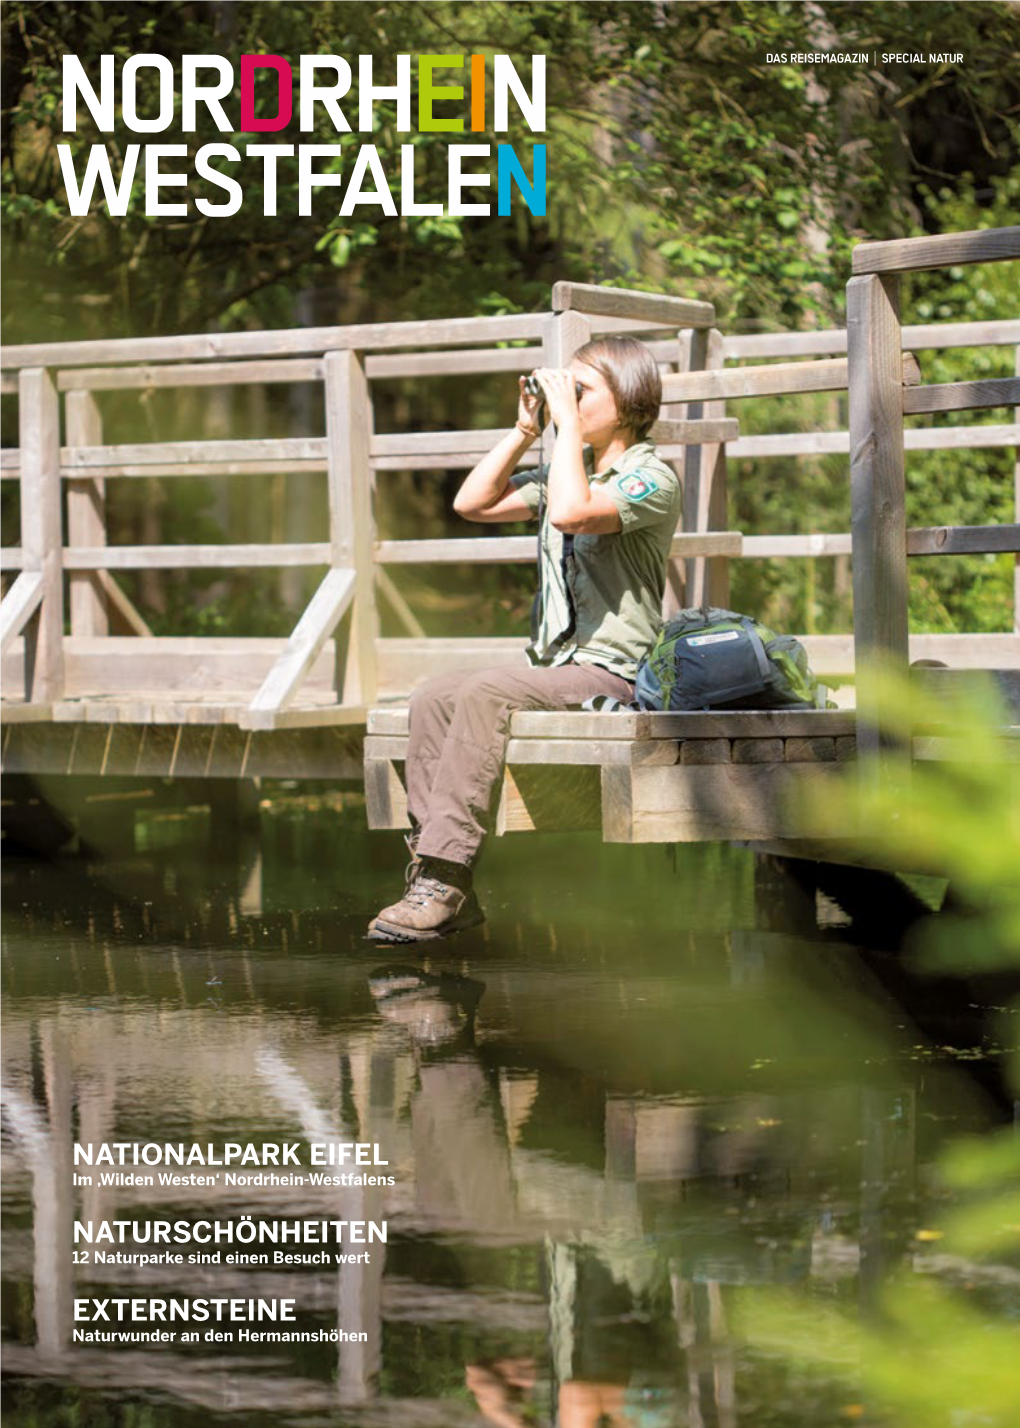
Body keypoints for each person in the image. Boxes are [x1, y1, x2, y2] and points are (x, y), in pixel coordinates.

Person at [368, 336, 681, 942]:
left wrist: (563, 431)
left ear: (629, 400)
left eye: (583, 390)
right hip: (560, 664)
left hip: (614, 669)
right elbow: (471, 503)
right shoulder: (568, 469)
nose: (570, 399)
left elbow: (571, 513)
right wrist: (524, 429)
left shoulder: (651, 477)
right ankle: (435, 877)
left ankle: (446, 874)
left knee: (486, 690)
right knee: (433, 694)